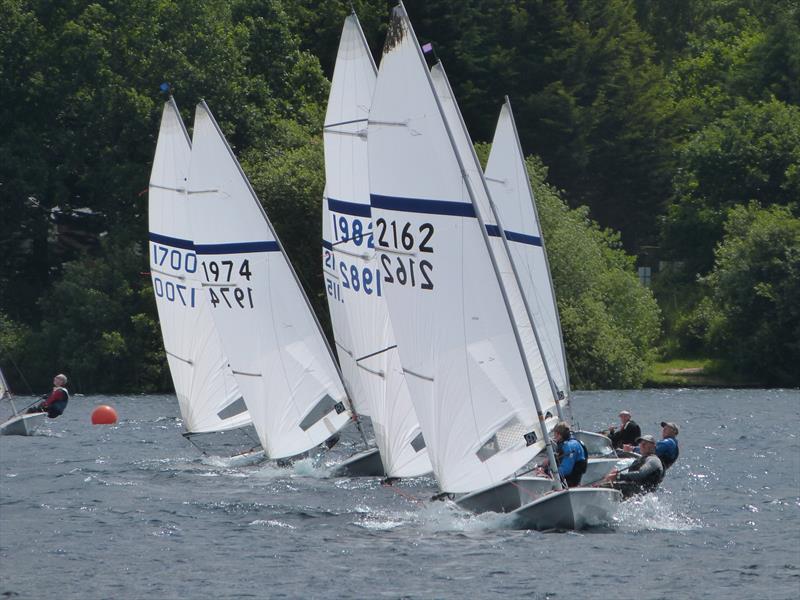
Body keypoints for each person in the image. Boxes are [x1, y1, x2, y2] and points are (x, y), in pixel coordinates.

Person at [551, 422, 588, 487]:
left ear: (559, 434)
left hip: (570, 482)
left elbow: (566, 469)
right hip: (570, 479)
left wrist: (550, 474)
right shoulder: (571, 442)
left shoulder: (569, 446)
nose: (554, 436)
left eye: (555, 433)